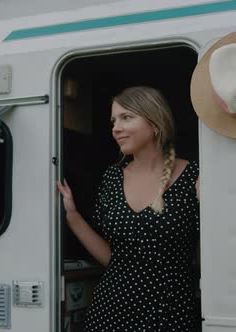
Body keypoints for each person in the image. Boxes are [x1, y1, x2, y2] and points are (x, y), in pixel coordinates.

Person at [57, 86, 200, 332]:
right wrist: (72, 216)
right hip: (111, 312)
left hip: (172, 314)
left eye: (126, 118)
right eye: (114, 120)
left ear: (155, 123)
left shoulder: (194, 175)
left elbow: (207, 256)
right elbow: (114, 259)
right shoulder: (112, 177)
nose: (115, 128)